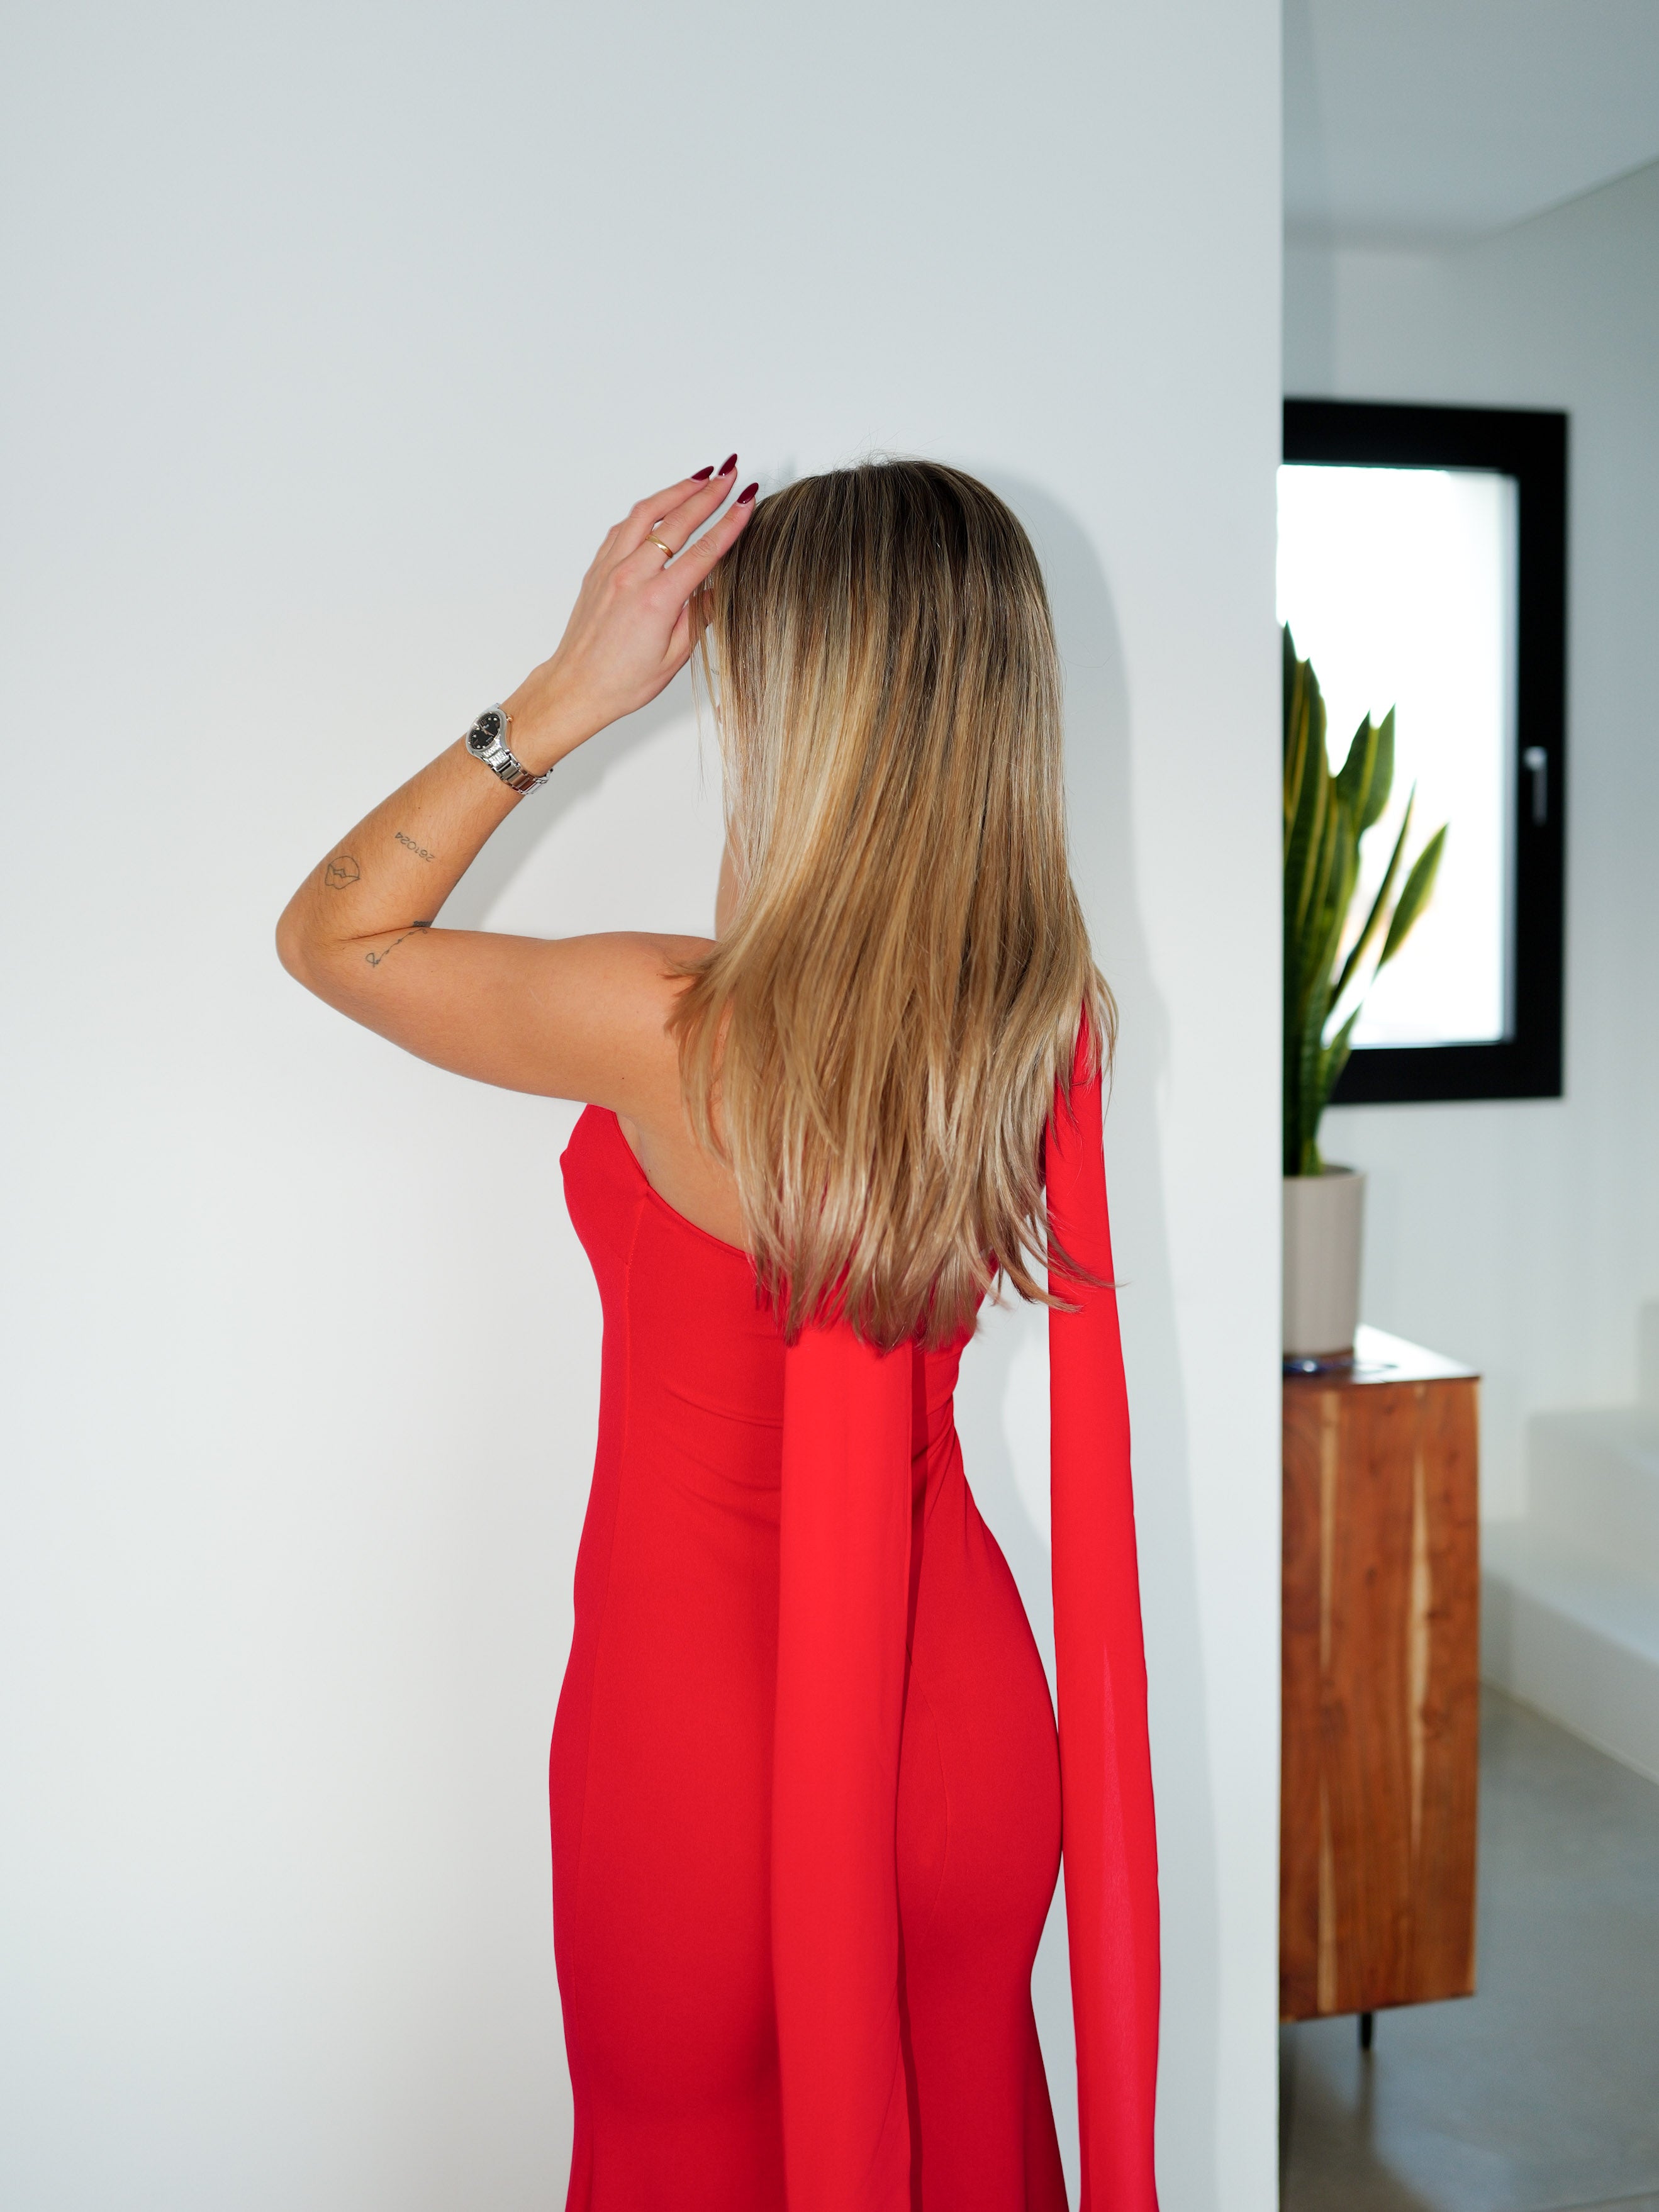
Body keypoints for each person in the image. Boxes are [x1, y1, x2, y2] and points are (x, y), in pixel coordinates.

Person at [276, 455, 1159, 2211]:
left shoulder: (675, 1030)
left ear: (808, 717)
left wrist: (566, 690)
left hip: (703, 1748)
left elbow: (331, 935)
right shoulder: (1039, 1022)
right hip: (966, 1726)